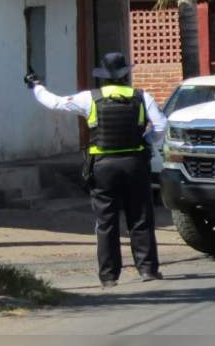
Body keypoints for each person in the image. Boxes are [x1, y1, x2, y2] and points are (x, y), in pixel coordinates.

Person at [24, 52, 167, 288]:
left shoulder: (89, 98)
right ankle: (148, 269)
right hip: (135, 162)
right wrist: (145, 139)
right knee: (140, 216)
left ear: (103, 77)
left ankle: (109, 276)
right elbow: (161, 126)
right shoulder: (142, 97)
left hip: (103, 166)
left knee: (106, 221)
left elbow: (56, 103)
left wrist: (36, 87)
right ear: (125, 74)